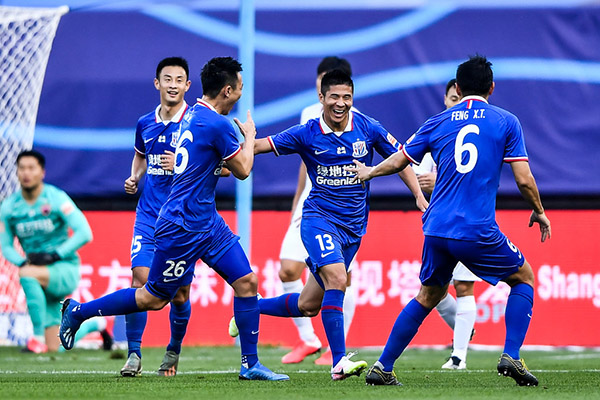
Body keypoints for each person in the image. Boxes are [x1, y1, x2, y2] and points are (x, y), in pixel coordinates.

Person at [59, 56, 288, 381]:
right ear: (227, 90)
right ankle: (79, 312)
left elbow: (209, 166)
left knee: (247, 282)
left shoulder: (193, 115)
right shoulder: (217, 124)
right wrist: (249, 136)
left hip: (206, 221)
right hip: (181, 226)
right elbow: (244, 170)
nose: (241, 92)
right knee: (152, 297)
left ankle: (250, 365)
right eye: (239, 87)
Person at [349, 55, 550, 387]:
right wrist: (539, 210)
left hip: (436, 227)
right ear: (492, 87)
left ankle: (383, 366)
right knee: (524, 278)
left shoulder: (438, 121)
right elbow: (525, 179)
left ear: (457, 87)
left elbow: (401, 158)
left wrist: (370, 171)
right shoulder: (506, 121)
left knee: (428, 295)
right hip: (476, 228)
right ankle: (511, 355)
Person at [237, 69, 427, 380]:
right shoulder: (307, 132)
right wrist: (245, 139)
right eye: (335, 97)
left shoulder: (368, 128)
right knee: (338, 278)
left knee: (309, 303)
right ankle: (339, 361)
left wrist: (418, 195)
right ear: (321, 98)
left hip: (353, 229)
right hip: (318, 220)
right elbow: (260, 147)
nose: (341, 103)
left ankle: (249, 309)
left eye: (347, 97)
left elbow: (400, 158)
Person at [277, 56, 358, 366]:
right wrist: (297, 200)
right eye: (322, 83)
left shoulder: (358, 121)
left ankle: (336, 349)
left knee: (341, 277)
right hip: (310, 207)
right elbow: (303, 160)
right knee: (287, 269)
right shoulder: (310, 114)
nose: (333, 98)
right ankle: (308, 340)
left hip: (342, 212)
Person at [120, 57, 192, 377]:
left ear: (187, 86)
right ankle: (133, 353)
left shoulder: (198, 123)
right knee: (140, 279)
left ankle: (173, 350)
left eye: (179, 79)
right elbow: (140, 155)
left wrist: (182, 161)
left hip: (184, 221)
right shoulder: (144, 123)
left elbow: (225, 169)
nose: (173, 84)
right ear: (157, 83)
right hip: (149, 216)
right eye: (168, 78)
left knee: (179, 293)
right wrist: (135, 176)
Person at [0, 150, 111, 353]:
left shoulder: (56, 198)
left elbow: (84, 232)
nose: (26, 173)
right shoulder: (9, 207)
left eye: (31, 168)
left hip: (63, 268)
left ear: (42, 172)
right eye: (22, 168)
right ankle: (96, 326)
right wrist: (21, 261)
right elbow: (5, 244)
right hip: (38, 275)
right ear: (16, 172)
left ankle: (36, 338)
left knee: (27, 275)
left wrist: (55, 255)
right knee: (56, 348)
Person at [413, 78, 480, 370]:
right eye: (452, 99)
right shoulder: (437, 131)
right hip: (438, 223)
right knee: (434, 290)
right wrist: (424, 186)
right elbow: (417, 176)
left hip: (468, 219)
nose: (456, 104)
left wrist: (437, 182)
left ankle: (459, 356)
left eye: (459, 99)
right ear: (445, 99)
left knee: (464, 287)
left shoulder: (475, 137)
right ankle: (463, 327)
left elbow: (478, 181)